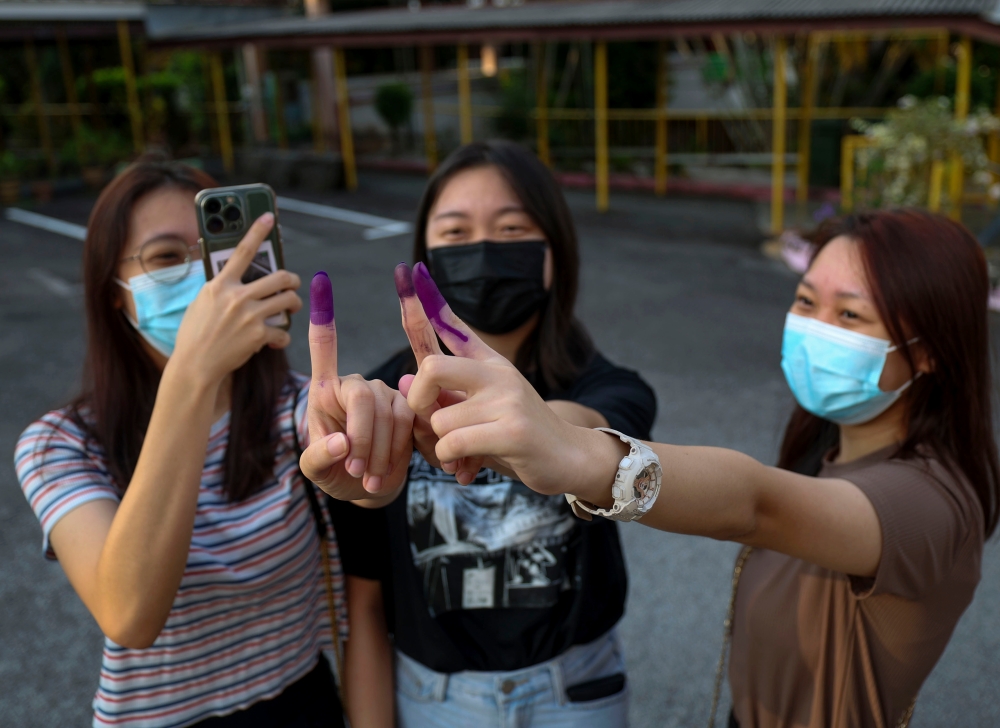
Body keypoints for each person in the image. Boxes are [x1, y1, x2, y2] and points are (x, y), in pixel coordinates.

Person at [398, 208, 999, 728]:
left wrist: (579, 454)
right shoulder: (834, 453)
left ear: (927, 353)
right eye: (807, 300)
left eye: (850, 317)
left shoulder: (934, 503)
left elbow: (755, 505)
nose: (814, 328)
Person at [14, 159, 410, 728]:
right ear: (113, 294)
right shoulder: (59, 443)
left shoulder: (293, 406)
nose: (209, 285)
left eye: (215, 255)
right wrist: (193, 376)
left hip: (304, 707)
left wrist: (371, 451)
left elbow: (346, 458)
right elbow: (128, 614)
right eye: (169, 257)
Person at [329, 141, 657, 727]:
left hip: (577, 697)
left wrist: (546, 432)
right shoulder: (383, 402)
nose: (483, 250)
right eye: (455, 233)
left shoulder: (612, 388)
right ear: (423, 255)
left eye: (511, 228)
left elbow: (594, 436)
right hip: (431, 703)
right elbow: (366, 601)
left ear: (556, 250)